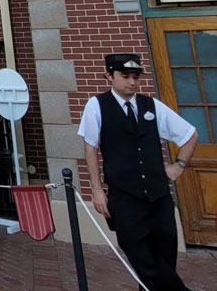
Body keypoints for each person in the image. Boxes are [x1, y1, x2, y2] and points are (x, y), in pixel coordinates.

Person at [77, 53, 199, 291]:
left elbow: (190, 134)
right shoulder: (97, 105)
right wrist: (97, 189)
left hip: (158, 198)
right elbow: (90, 146)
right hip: (125, 198)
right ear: (109, 76)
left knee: (164, 259)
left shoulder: (152, 106)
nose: (132, 82)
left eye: (135, 77)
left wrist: (179, 166)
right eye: (125, 76)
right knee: (143, 260)